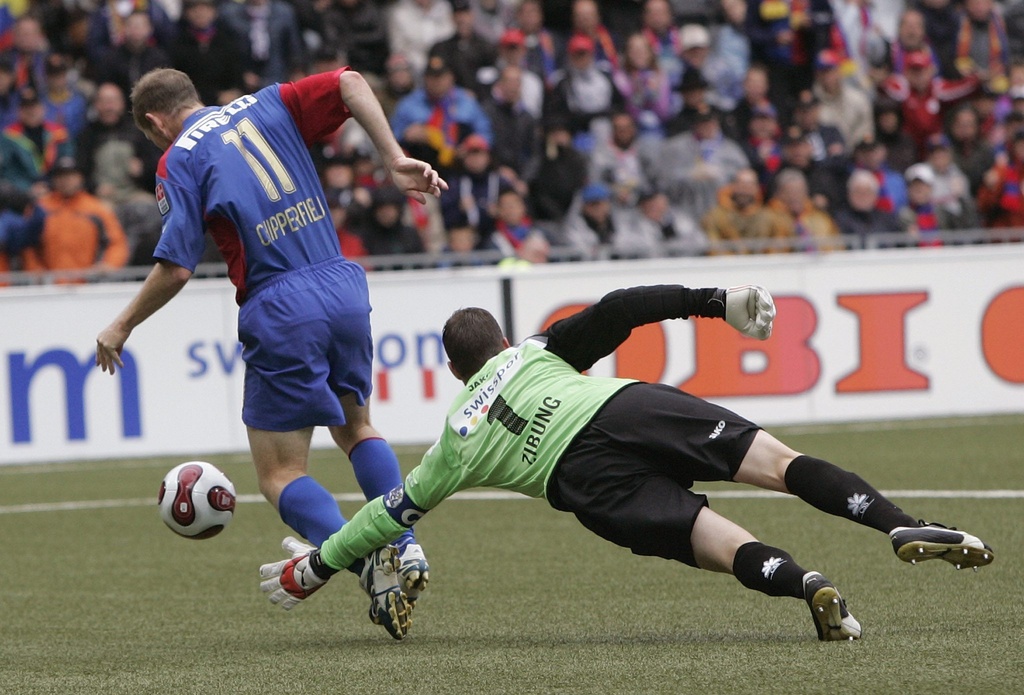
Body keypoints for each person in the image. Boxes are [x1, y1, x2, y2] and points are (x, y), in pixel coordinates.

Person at [259, 283, 994, 641]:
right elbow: (620, 307)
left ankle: (808, 586)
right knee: (779, 462)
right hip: (625, 408)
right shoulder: (540, 350)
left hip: (583, 479)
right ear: (503, 339)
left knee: (716, 537)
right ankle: (897, 523)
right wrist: (717, 300)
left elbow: (389, 511)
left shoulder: (455, 437)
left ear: (455, 371)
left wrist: (318, 564)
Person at [94, 67, 447, 637]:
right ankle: (405, 544)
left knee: (281, 473)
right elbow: (352, 81)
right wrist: (392, 157)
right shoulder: (267, 103)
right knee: (358, 428)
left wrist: (121, 323)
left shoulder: (176, 158)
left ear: (155, 122)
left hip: (280, 303)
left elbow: (177, 266)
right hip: (342, 284)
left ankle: (366, 564)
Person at [23, 157, 130, 281]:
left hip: (88, 285)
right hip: (49, 286)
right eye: (61, 176)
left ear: (81, 178)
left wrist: (109, 265)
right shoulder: (40, 208)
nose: (66, 181)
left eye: (71, 176)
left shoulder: (96, 209)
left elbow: (116, 242)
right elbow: (28, 245)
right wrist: (35, 269)